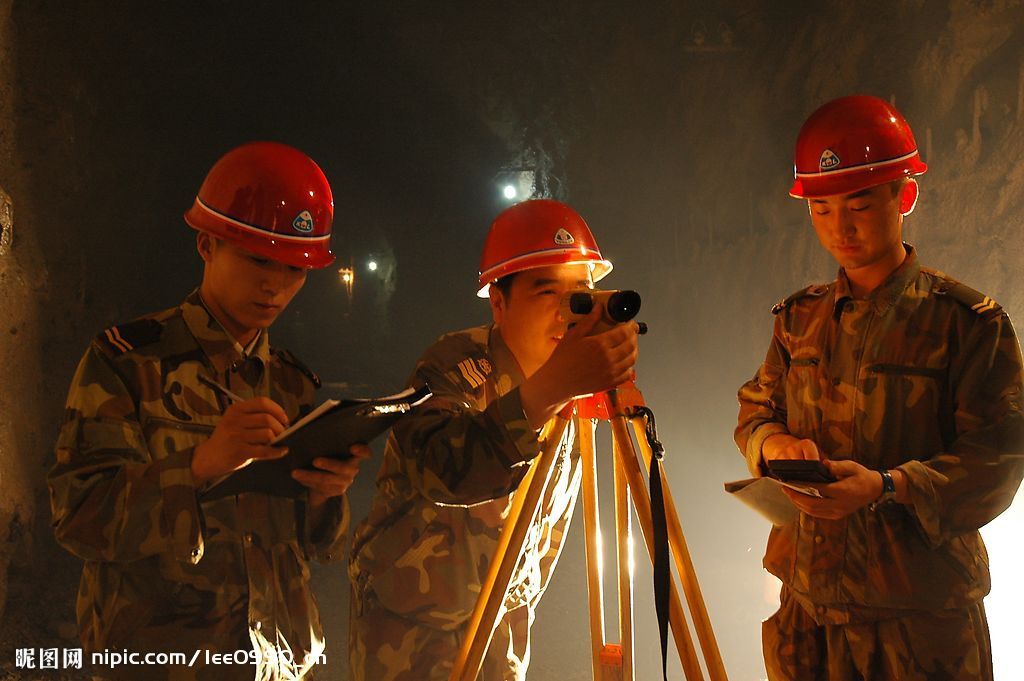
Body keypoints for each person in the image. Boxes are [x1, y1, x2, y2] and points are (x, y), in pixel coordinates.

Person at [48, 141, 368, 681]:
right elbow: (80, 519)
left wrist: (325, 496)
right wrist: (199, 465)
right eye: (258, 260)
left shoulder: (292, 383)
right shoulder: (130, 363)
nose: (275, 284)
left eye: (294, 268)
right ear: (207, 245)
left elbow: (320, 550)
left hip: (282, 661)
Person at [735, 95, 1024, 680]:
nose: (840, 227)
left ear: (905, 196)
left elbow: (998, 461)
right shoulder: (799, 319)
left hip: (919, 623)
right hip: (808, 613)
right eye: (820, 210)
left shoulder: (967, 324)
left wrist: (888, 487)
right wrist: (773, 446)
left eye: (860, 205)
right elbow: (756, 410)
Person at [348, 198, 640, 680]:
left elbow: (544, 534)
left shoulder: (578, 384)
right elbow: (444, 471)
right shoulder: (455, 365)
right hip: (409, 631)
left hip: (501, 629)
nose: (567, 314)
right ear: (499, 303)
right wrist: (551, 389)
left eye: (581, 296)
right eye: (548, 294)